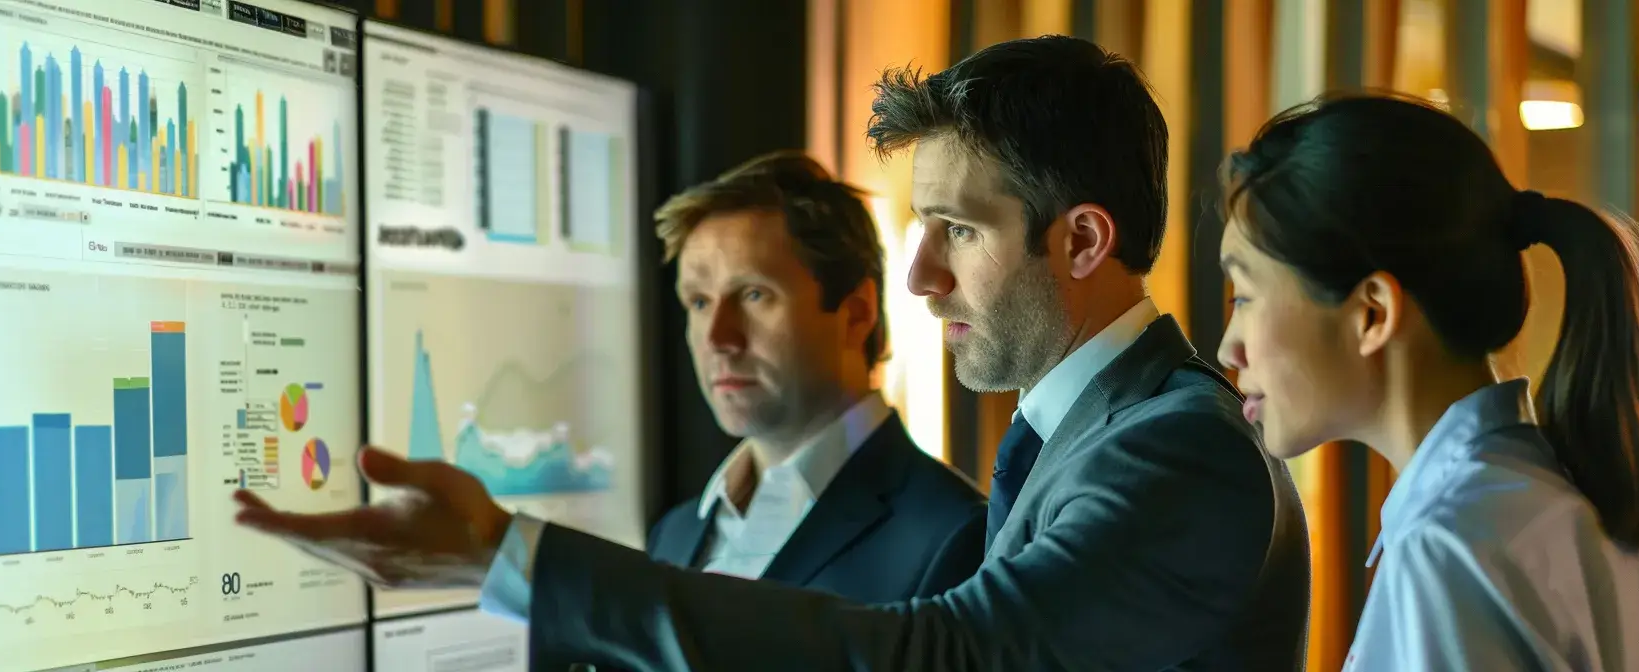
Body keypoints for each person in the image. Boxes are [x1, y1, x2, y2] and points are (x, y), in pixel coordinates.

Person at [233, 35, 1311, 671]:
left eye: (957, 230)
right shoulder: (1093, 432)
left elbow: (954, 658)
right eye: (921, 229)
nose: (921, 275)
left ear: (1080, 240)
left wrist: (512, 559)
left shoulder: (1176, 445)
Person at [1214, 92, 1639, 670]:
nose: (1229, 348)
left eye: (1244, 297)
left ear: (1372, 313)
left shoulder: (1450, 542)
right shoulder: (1586, 501)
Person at [644, 151, 985, 600]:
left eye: (753, 294)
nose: (717, 338)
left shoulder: (955, 536)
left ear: (856, 313)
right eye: (699, 302)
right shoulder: (672, 534)